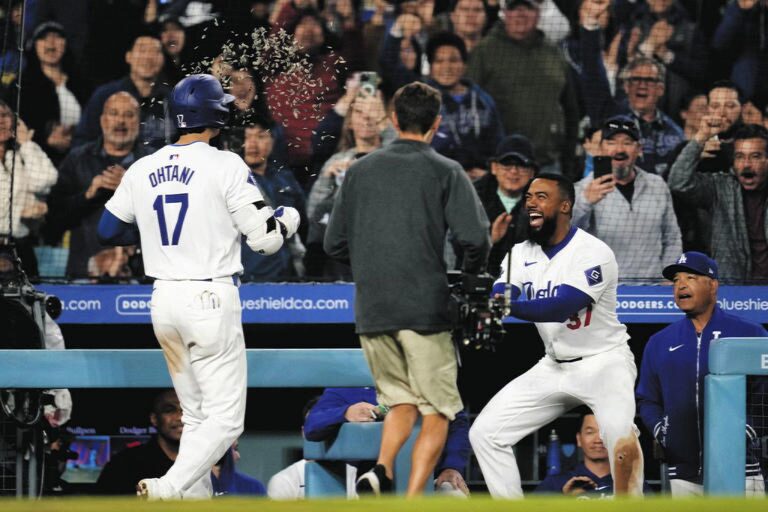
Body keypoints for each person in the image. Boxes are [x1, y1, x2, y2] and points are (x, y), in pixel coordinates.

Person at [96, 74, 300, 499]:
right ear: (218, 116)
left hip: (163, 299)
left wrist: (150, 236)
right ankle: (168, 486)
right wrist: (289, 218)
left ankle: (192, 499)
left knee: (197, 416)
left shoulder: (144, 165)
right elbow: (265, 241)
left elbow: (107, 229)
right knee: (226, 422)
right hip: (209, 298)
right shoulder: (225, 164)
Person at [324, 81, 490, 496]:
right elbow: (475, 239)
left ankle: (381, 469)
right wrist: (469, 280)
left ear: (393, 120)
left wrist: (376, 268)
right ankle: (413, 498)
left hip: (372, 311)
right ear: (436, 123)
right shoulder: (445, 169)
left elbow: (332, 244)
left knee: (400, 401)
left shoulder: (359, 169)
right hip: (424, 309)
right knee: (439, 410)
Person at [469, 173, 644, 498]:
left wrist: (506, 304)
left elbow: (562, 306)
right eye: (529, 197)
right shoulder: (521, 252)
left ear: (565, 205)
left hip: (604, 362)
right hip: (555, 364)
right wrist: (494, 301)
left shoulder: (593, 252)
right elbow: (502, 292)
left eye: (541, 196)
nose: (531, 202)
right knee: (485, 433)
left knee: (619, 437)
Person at [636, 251, 767, 495]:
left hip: (741, 471)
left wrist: (745, 432)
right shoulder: (659, 342)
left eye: (691, 277)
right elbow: (647, 399)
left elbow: (766, 395)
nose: (681, 285)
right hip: (684, 475)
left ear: (713, 285)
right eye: (676, 281)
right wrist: (662, 432)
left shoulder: (750, 333)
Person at [467, 0, 579, 176]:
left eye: (527, 8)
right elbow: (468, 105)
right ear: (504, 13)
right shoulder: (484, 51)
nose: (520, 14)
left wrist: (568, 161)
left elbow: (571, 110)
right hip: (501, 166)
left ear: (538, 13)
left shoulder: (554, 53)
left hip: (547, 163)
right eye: (514, 8)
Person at [45, 92, 149, 279]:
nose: (120, 121)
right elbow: (53, 220)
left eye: (128, 115)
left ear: (138, 121)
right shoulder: (77, 159)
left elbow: (167, 214)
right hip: (83, 275)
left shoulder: (152, 161)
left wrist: (132, 188)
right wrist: (88, 195)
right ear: (102, 120)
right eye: (114, 113)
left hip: (142, 276)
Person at [304, 387, 471, 496]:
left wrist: (452, 466)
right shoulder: (347, 388)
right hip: (370, 480)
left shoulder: (423, 378)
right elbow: (312, 426)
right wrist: (346, 412)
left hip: (430, 477)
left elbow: (457, 419)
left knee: (453, 494)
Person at [573, 115, 682, 282]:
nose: (619, 149)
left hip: (651, 293)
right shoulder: (582, 189)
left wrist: (668, 277)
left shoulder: (657, 185)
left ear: (639, 149)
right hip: (604, 292)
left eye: (627, 142)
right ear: (600, 149)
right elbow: (567, 237)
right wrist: (585, 202)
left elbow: (672, 238)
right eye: (611, 142)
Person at [668, 122, 768, 281]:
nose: (746, 164)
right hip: (732, 293)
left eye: (755, 156)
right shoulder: (719, 188)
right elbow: (678, 182)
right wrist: (700, 139)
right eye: (740, 156)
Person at [425, 31, 504, 176]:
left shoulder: (484, 101)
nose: (447, 67)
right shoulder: (421, 100)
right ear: (431, 67)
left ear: (464, 64)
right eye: (439, 61)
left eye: (453, 60)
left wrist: (488, 174)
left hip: (479, 183)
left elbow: (498, 147)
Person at [73, 32, 170, 150]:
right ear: (128, 57)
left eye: (155, 52)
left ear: (163, 60)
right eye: (142, 50)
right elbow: (82, 141)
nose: (148, 57)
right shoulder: (105, 95)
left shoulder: (174, 99)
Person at [240, 118, 307, 282]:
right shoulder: (234, 181)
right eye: (247, 137)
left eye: (260, 137)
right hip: (248, 277)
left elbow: (304, 223)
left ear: (273, 141)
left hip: (287, 274)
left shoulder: (285, 179)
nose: (252, 144)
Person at [15, 21, 89, 166]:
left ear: (65, 44)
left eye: (57, 37)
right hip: (36, 159)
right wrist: (46, 139)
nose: (51, 42)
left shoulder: (82, 83)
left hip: (79, 156)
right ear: (34, 45)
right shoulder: (22, 84)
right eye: (43, 38)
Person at [0, 101, 58, 278]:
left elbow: (45, 180)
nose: (1, 121)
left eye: (5, 116)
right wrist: (21, 213)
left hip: (21, 248)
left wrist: (26, 144)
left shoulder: (20, 156)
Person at [535, 408, 651, 496]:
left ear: (615, 438)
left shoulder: (634, 482)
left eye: (604, 433)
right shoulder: (554, 484)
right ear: (579, 439)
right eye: (590, 432)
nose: (598, 440)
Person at [471, 134, 536, 276]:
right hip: (479, 284)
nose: (513, 171)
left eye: (521, 165)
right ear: (494, 167)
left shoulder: (543, 204)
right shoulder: (471, 198)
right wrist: (489, 240)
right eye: (506, 164)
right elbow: (455, 250)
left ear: (532, 172)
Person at [97, 390, 182, 495]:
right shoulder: (124, 465)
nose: (180, 417)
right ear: (154, 419)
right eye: (169, 410)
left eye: (187, 410)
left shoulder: (207, 464)